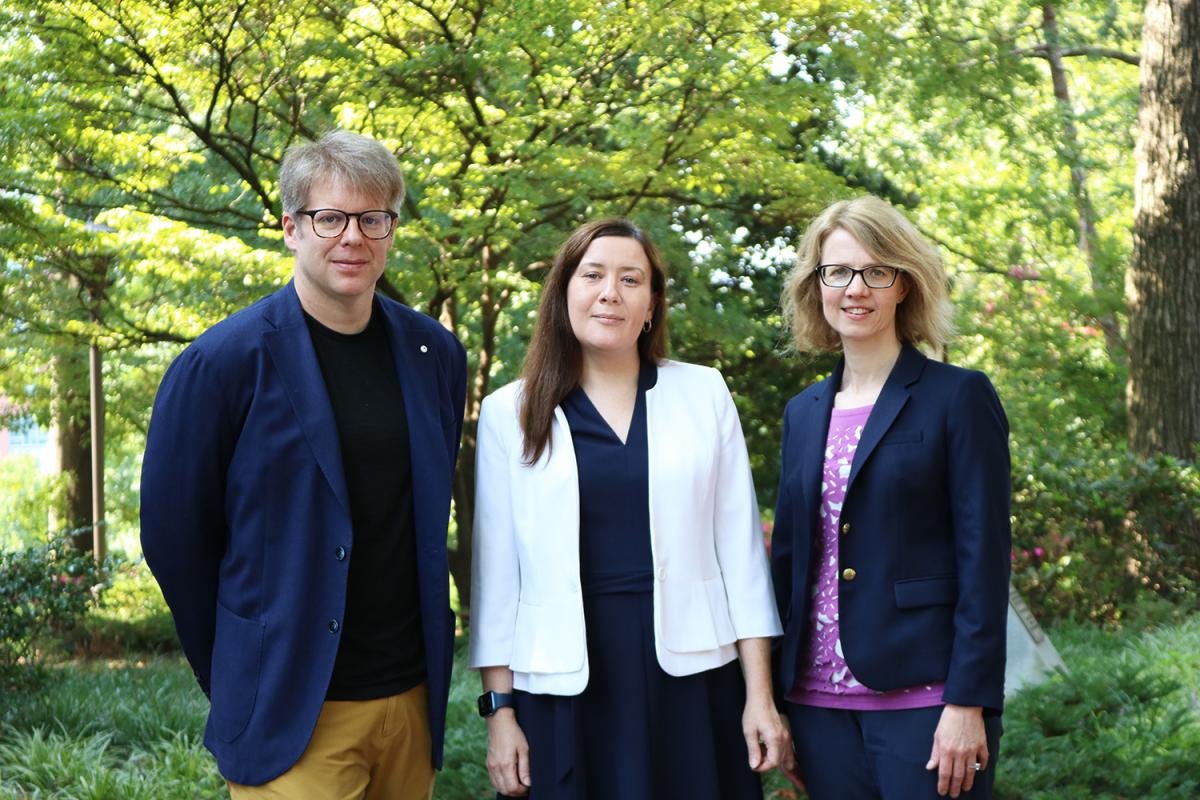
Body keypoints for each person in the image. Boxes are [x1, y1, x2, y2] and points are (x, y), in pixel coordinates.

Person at [140, 129, 467, 799]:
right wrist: (241, 674)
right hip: (293, 715)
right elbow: (174, 543)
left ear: (392, 229)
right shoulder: (220, 365)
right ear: (291, 228)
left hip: (409, 705)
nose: (353, 237)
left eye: (373, 218)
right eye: (330, 217)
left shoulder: (435, 355)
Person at [468, 218, 790, 799]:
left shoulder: (704, 393)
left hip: (694, 678)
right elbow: (497, 578)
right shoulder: (508, 413)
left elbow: (740, 556)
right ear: (564, 292)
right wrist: (500, 713)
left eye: (631, 279)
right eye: (592, 275)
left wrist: (760, 697)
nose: (610, 291)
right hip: (561, 688)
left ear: (651, 304)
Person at [771, 196, 1010, 800]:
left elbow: (984, 558)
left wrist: (968, 700)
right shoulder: (803, 413)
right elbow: (790, 563)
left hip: (927, 702)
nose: (856, 288)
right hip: (816, 705)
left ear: (904, 283)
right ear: (816, 285)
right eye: (838, 272)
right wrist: (777, 701)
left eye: (877, 271)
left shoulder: (957, 397)